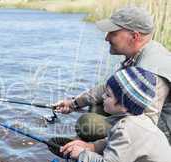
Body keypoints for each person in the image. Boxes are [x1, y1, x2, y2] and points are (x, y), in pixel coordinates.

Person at [47, 67, 171, 162]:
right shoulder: (138, 120)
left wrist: (82, 154)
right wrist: (91, 147)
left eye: (108, 95)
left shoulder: (128, 129)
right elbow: (115, 143)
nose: (103, 97)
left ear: (124, 105)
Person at [54, 6, 171, 143]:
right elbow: (108, 88)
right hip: (141, 123)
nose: (106, 38)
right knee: (98, 104)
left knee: (86, 123)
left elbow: (144, 128)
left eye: (113, 33)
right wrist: (73, 103)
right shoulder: (140, 54)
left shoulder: (149, 70)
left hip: (160, 134)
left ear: (135, 36)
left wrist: (93, 148)